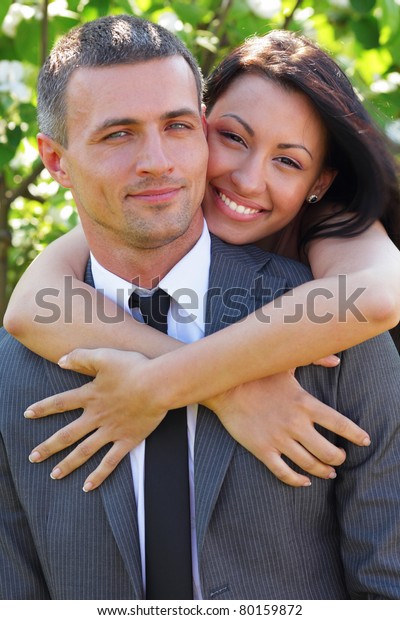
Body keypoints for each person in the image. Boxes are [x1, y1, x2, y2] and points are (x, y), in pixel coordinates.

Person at [0, 16, 399, 600]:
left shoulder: (336, 311)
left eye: (176, 127)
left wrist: (152, 386)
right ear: (57, 162)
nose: (158, 161)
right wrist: (230, 388)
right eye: (119, 134)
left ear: (319, 181)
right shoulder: (31, 340)